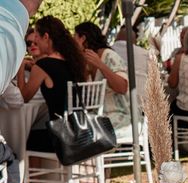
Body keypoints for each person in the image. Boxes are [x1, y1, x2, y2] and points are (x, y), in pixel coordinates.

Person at [17, 15, 87, 152]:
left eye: (36, 37)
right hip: (79, 131)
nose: (34, 42)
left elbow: (23, 97)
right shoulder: (72, 61)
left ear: (46, 37)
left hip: (60, 136)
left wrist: (20, 67)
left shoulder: (44, 65)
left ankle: (35, 175)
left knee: (25, 138)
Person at [74, 22, 131, 140]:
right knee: (74, 129)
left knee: (83, 134)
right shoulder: (86, 62)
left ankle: (95, 158)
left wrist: (101, 65)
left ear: (83, 39)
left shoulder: (109, 55)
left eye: (75, 38)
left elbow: (122, 88)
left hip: (120, 115)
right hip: (97, 116)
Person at [0, 0, 44, 94]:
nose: (32, 45)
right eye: (28, 43)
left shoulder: (42, 65)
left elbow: (22, 98)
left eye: (35, 42)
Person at [111, 25, 149, 102]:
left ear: (117, 38)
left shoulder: (109, 51)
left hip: (117, 102)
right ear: (134, 40)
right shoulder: (145, 54)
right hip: (142, 102)